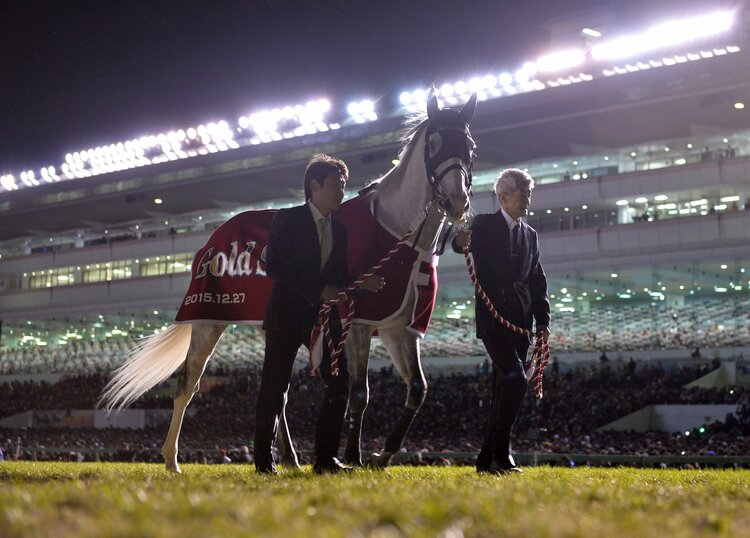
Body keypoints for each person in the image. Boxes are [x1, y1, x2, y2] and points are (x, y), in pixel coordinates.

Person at [254, 154, 384, 475]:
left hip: (323, 320)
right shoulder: (287, 220)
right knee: (274, 388)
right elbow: (277, 267)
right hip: (286, 316)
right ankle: (264, 463)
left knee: (340, 385)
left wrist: (358, 283)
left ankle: (325, 460)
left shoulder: (338, 230)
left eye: (343, 186)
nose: (342, 192)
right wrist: (318, 289)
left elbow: (336, 276)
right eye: (336, 186)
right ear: (314, 186)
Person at [453, 168, 550, 474]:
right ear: (504, 197)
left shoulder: (530, 235)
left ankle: (486, 459)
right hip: (493, 320)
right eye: (524, 195)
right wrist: (460, 240)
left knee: (502, 390)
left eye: (530, 195)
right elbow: (458, 243)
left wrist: (543, 319)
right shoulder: (482, 224)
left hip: (521, 323)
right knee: (515, 379)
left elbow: (537, 279)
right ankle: (502, 454)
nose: (528, 201)